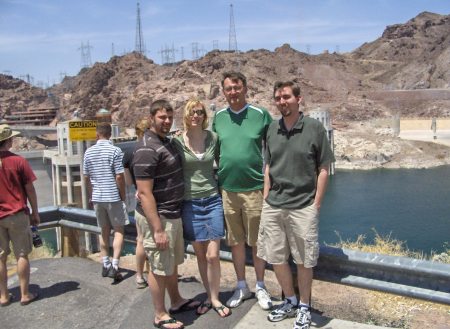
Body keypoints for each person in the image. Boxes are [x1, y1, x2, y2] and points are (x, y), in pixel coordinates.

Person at [258, 81, 335, 329]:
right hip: (274, 205)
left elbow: (324, 169)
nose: (282, 102)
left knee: (304, 260)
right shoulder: (271, 128)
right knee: (276, 257)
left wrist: (316, 205)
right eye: (278, 98)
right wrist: (266, 196)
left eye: (287, 97)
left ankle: (304, 306)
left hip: (303, 206)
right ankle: (289, 300)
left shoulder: (314, 128)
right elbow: (268, 165)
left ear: (299, 99)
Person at [133, 99, 200, 329]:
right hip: (159, 217)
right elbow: (143, 192)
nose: (167, 121)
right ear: (151, 118)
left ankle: (177, 301)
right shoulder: (145, 148)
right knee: (159, 268)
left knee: (170, 264)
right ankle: (159, 314)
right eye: (162, 117)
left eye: (170, 117)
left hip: (173, 213)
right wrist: (157, 229)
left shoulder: (167, 142)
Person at [212, 71, 273, 310]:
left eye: (237, 87)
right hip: (227, 190)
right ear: (223, 91)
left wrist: (269, 183)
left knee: (257, 241)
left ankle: (260, 286)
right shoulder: (218, 117)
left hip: (255, 189)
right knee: (235, 241)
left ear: (245, 88)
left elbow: (273, 149)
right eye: (228, 88)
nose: (233, 92)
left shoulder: (260, 115)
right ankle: (241, 286)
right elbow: (214, 150)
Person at [172, 99, 231, 318]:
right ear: (186, 116)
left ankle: (214, 297)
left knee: (213, 255)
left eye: (199, 112)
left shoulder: (213, 138)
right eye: (192, 112)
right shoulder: (177, 141)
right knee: (200, 254)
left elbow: (224, 164)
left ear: (204, 116)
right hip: (190, 203)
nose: (196, 115)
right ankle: (210, 296)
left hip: (212, 200)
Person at [0, 124, 40, 306]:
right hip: (17, 214)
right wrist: (35, 212)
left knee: (0, 257)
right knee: (21, 254)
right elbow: (30, 189)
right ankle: (25, 294)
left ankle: (4, 296)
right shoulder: (18, 162)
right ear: (8, 141)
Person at [83, 122, 128, 282]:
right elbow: (119, 176)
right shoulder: (115, 151)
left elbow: (87, 177)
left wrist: (91, 195)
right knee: (118, 230)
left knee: (103, 230)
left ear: (97, 134)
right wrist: (122, 195)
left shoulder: (88, 152)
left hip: (97, 197)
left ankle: (105, 263)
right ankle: (115, 266)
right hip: (113, 197)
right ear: (110, 134)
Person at [121, 118, 149, 289]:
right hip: (157, 201)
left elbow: (129, 181)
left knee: (141, 240)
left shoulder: (130, 153)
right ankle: (154, 273)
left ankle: (139, 275)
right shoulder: (153, 149)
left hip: (140, 202)